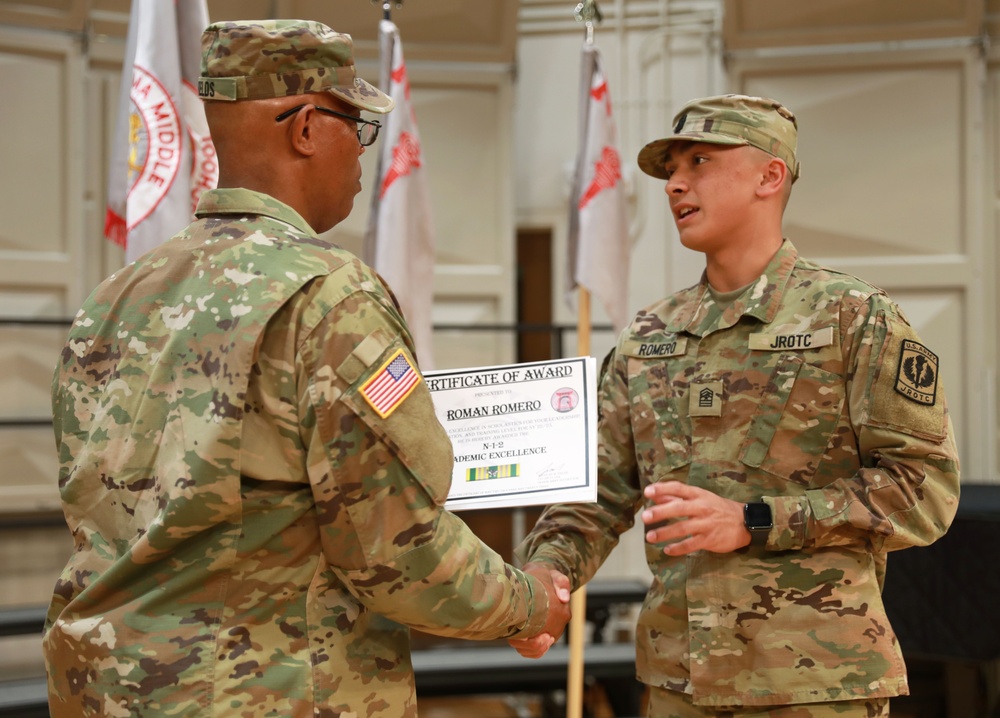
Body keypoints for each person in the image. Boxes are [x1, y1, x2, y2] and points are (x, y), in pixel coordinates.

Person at [43, 19, 569, 718]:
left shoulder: (113, 300)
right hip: (263, 692)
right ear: (307, 129)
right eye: (358, 125)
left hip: (105, 690)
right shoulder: (327, 293)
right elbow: (394, 548)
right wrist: (526, 604)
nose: (362, 153)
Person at [511, 94, 960, 717]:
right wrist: (543, 581)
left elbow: (925, 491)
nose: (675, 184)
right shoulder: (648, 338)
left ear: (769, 176)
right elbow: (596, 494)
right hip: (679, 685)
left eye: (698, 161)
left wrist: (752, 519)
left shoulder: (854, 318)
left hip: (814, 685)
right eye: (670, 169)